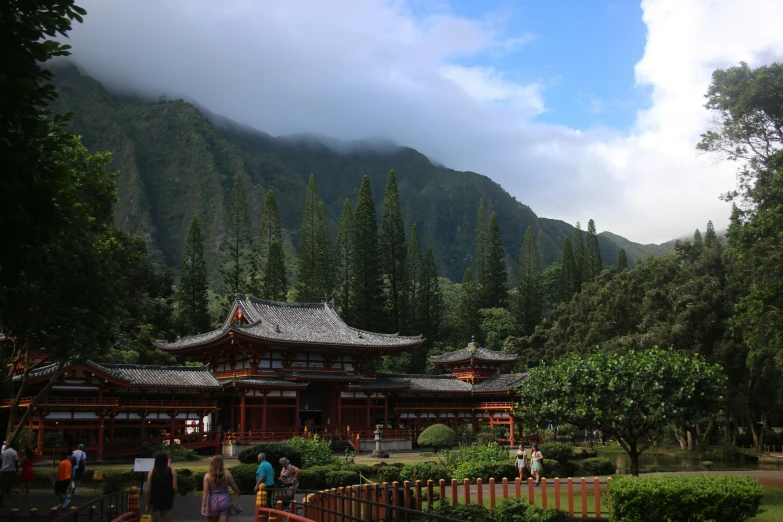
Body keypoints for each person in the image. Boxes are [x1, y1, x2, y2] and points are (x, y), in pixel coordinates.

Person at [202, 455, 240, 521]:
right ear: (222, 463)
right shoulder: (227, 473)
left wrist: (203, 505)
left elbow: (205, 491)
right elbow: (233, 485)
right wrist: (237, 492)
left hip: (211, 501)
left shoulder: (207, 476)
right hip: (225, 500)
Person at [146, 453, 177, 522]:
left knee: (157, 520)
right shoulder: (172, 471)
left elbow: (148, 490)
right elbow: (174, 488)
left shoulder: (152, 472)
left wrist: (147, 504)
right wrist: (172, 498)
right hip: (167, 499)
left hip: (155, 499)